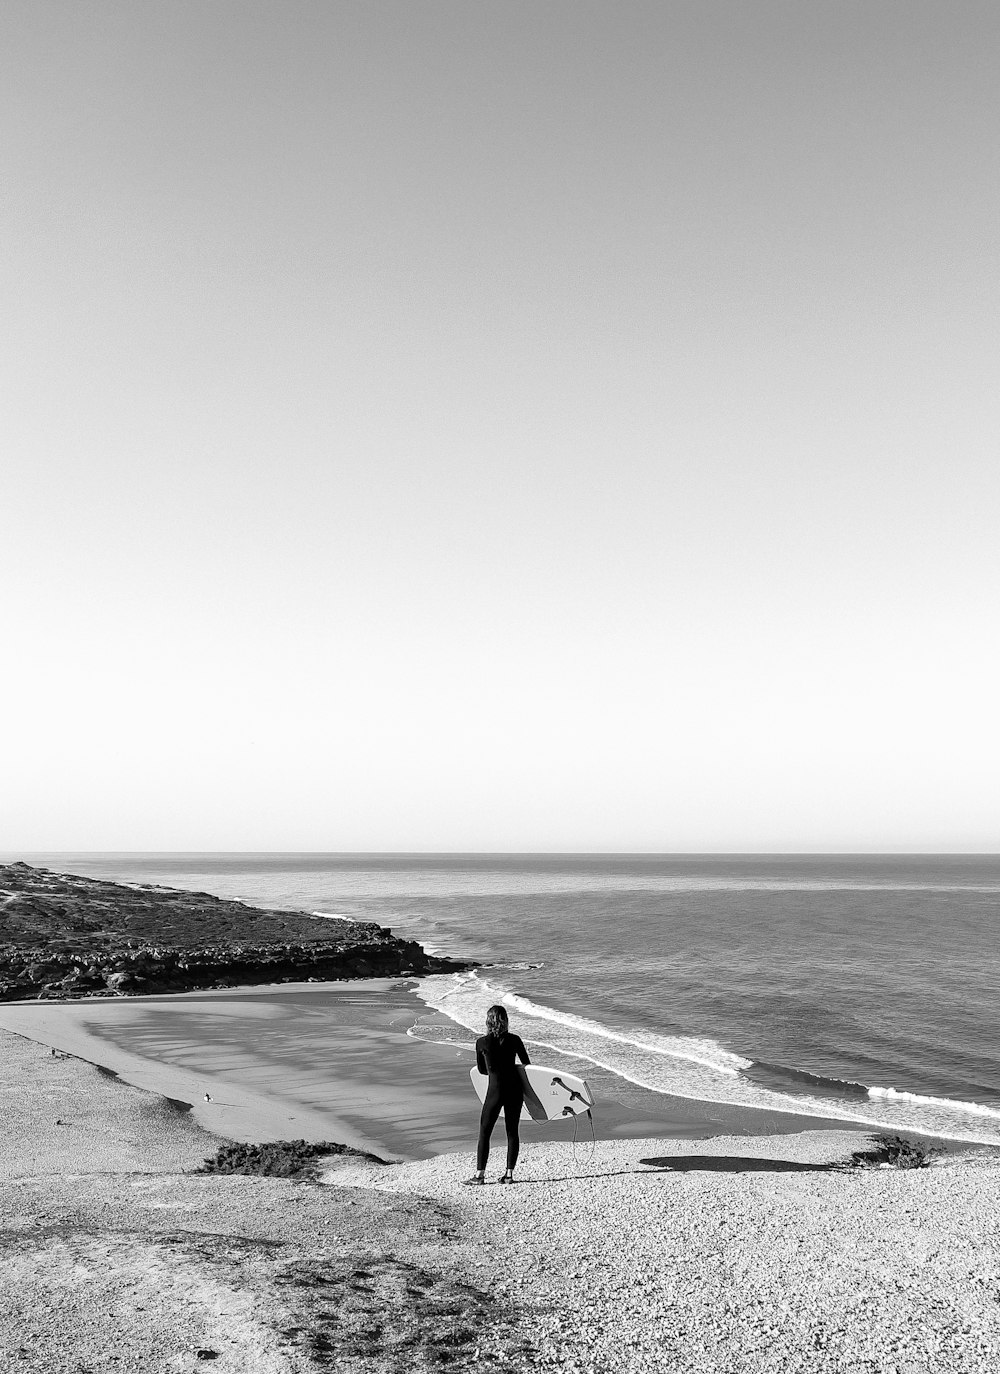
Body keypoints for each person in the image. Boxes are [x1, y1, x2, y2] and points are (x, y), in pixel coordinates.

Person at [465, 1004, 530, 1185]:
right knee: (512, 1131)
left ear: (488, 1021)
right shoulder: (515, 1040)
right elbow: (526, 1066)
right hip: (514, 1090)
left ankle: (479, 1175)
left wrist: (495, 1068)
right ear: (506, 1021)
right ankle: (509, 1175)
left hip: (495, 1091)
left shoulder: (482, 1043)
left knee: (485, 1132)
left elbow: (481, 1070)